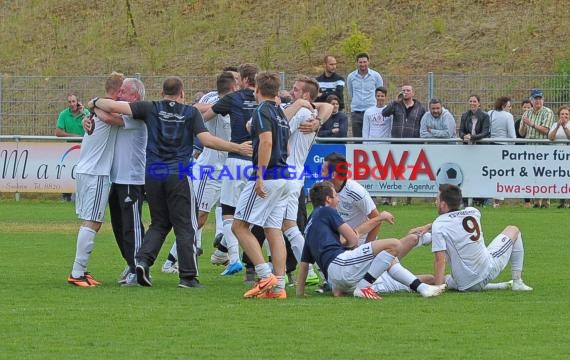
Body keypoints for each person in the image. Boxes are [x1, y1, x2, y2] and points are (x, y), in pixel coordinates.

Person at [90, 76, 252, 288]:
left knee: (160, 222)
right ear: (182, 93)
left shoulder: (150, 108)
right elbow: (207, 141)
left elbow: (111, 105)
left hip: (153, 174)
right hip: (178, 173)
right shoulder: (190, 112)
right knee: (186, 226)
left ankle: (141, 261)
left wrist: (94, 102)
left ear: (162, 92)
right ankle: (188, 276)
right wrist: (237, 147)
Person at [296, 181, 447, 299]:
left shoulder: (310, 225)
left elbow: (304, 265)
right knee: (393, 244)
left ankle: (422, 287)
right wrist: (379, 218)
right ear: (328, 199)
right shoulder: (327, 210)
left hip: (336, 279)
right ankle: (364, 287)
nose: (339, 199)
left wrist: (300, 294)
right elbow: (353, 238)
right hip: (342, 265)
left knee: (398, 260)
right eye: (336, 196)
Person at [161, 71, 238, 274]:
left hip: (230, 167)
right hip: (209, 169)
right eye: (237, 84)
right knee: (199, 216)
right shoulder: (212, 99)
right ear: (231, 88)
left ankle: (222, 252)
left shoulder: (238, 102)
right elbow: (195, 109)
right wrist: (220, 107)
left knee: (237, 214)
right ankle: (171, 261)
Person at [231, 71, 291, 299]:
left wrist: (260, 175)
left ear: (257, 89)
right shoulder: (280, 113)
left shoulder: (261, 110)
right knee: (273, 229)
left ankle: (265, 276)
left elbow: (267, 141)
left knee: (239, 226)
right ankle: (279, 287)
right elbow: (285, 146)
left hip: (269, 176)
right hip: (284, 176)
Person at [413, 184, 533, 292]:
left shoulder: (440, 224)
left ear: (443, 204)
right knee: (513, 230)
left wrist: (437, 288)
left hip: (462, 283)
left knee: (433, 279)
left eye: (437, 200)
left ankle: (400, 281)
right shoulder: (473, 212)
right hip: (485, 273)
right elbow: (454, 225)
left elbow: (440, 260)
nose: (435, 203)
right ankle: (517, 282)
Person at [67, 72, 125, 287]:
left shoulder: (98, 108)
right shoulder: (108, 109)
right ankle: (77, 273)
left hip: (85, 169)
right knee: (93, 221)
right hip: (96, 173)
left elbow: (103, 114)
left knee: (90, 220)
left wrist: (91, 107)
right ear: (119, 90)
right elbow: (115, 119)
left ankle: (81, 270)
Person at [281, 75, 333, 285]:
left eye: (295, 90)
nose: (291, 93)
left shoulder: (302, 112)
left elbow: (280, 128)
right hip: (296, 173)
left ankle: (282, 272)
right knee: (288, 226)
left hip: (285, 174)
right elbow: (325, 106)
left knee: (278, 226)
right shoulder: (309, 111)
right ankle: (313, 270)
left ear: (305, 94)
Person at [106, 78, 148, 286]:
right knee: (118, 225)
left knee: (132, 226)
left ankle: (138, 267)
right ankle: (130, 263)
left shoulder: (138, 115)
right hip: (116, 178)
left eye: (123, 91)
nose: (118, 94)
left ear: (134, 96)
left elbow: (109, 118)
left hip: (132, 178)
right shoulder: (124, 112)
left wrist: (93, 105)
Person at [518, 89, 555, 208]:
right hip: (529, 149)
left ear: (543, 100)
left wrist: (531, 124)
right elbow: (522, 133)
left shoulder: (547, 112)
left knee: (544, 174)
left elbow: (545, 130)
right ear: (531, 100)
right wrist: (524, 124)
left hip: (543, 149)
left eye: (540, 98)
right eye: (535, 98)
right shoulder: (526, 113)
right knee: (532, 175)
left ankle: (545, 201)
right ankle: (535, 201)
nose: (538, 101)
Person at [56, 93, 90, 202]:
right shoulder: (64, 114)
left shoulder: (85, 113)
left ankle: (84, 194)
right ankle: (66, 196)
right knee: (68, 170)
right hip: (70, 148)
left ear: (78, 102)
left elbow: (92, 126)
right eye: (69, 102)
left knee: (84, 170)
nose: (71, 104)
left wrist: (83, 113)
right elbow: (58, 132)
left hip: (85, 147)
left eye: (73, 101)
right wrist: (72, 135)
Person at [487, 96, 516, 207]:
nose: (510, 108)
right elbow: (512, 136)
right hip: (502, 148)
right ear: (503, 106)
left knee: (490, 173)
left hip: (489, 147)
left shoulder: (490, 113)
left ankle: (489, 199)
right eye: (508, 106)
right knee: (500, 174)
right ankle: (497, 201)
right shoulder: (508, 116)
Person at [347, 52, 383, 137]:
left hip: (371, 111)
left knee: (372, 136)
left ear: (368, 62)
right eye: (360, 62)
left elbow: (380, 92)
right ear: (357, 63)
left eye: (364, 62)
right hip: (356, 112)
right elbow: (351, 93)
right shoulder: (351, 77)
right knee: (357, 139)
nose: (362, 64)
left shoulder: (376, 76)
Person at [548, 105, 570, 208]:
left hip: (567, 156)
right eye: (562, 114)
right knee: (560, 178)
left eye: (566, 114)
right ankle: (562, 202)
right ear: (559, 115)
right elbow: (551, 137)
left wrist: (565, 127)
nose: (564, 116)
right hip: (556, 156)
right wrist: (557, 126)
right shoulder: (554, 125)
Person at [514, 99, 532, 208]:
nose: (526, 109)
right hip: (521, 154)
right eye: (524, 107)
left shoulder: (535, 121)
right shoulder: (517, 122)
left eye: (528, 107)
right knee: (524, 177)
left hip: (532, 152)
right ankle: (527, 201)